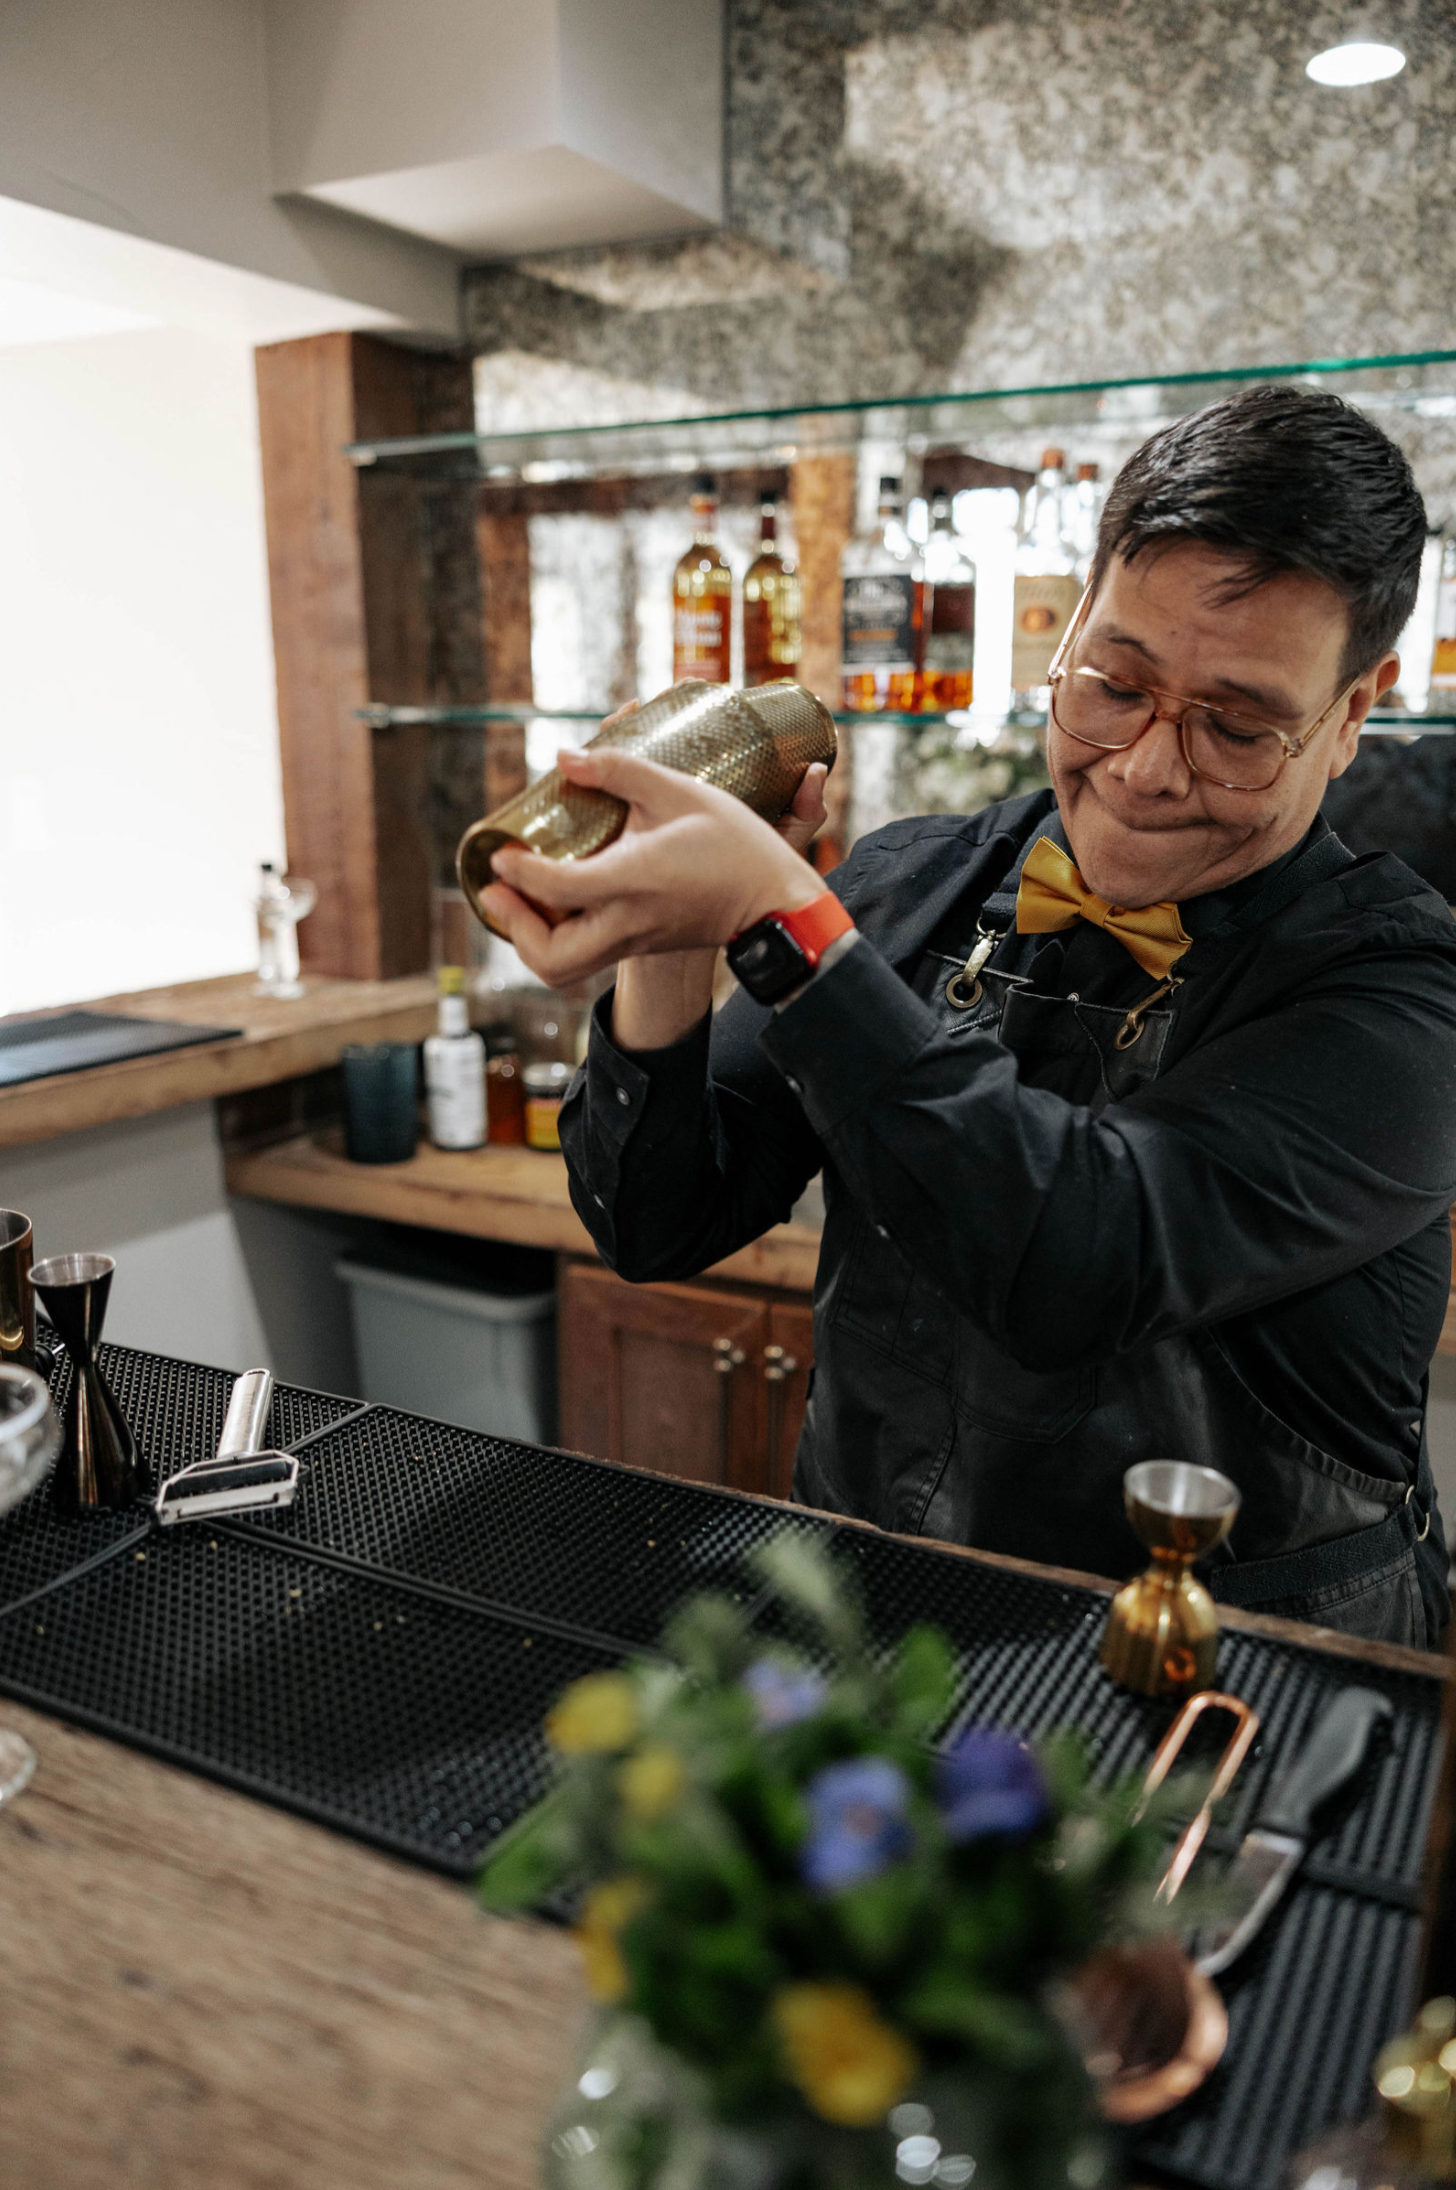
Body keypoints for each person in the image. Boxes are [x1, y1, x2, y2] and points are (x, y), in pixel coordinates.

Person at [481, 387, 1456, 1649]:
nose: (1149, 767)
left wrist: (785, 922)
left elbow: (1080, 1260)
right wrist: (672, 947)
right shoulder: (912, 879)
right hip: (876, 1620)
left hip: (1243, 1668)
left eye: (1237, 725)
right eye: (1114, 684)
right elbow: (657, 1220)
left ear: (1354, 714)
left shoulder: (1402, 998)